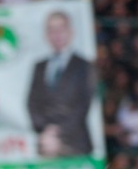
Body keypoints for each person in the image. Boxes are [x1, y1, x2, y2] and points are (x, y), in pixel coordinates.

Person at [26, 9, 95, 158]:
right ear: (46, 35)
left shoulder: (84, 66)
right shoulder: (39, 67)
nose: (56, 34)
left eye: (61, 28)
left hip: (76, 144)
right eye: (51, 29)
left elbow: (83, 104)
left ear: (70, 32)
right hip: (46, 144)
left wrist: (59, 133)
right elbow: (32, 102)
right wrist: (46, 131)